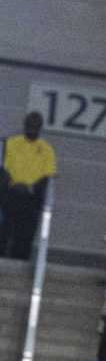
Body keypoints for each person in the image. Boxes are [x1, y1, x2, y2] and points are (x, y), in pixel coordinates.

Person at [2, 110, 55, 258]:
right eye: (29, 126)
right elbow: (4, 168)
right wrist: (14, 184)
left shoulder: (47, 149)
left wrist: (30, 188)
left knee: (24, 235)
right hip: (11, 194)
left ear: (40, 128)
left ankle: (19, 262)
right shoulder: (12, 143)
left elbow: (48, 175)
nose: (31, 129)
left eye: (35, 126)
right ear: (25, 125)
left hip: (31, 197)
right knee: (4, 231)